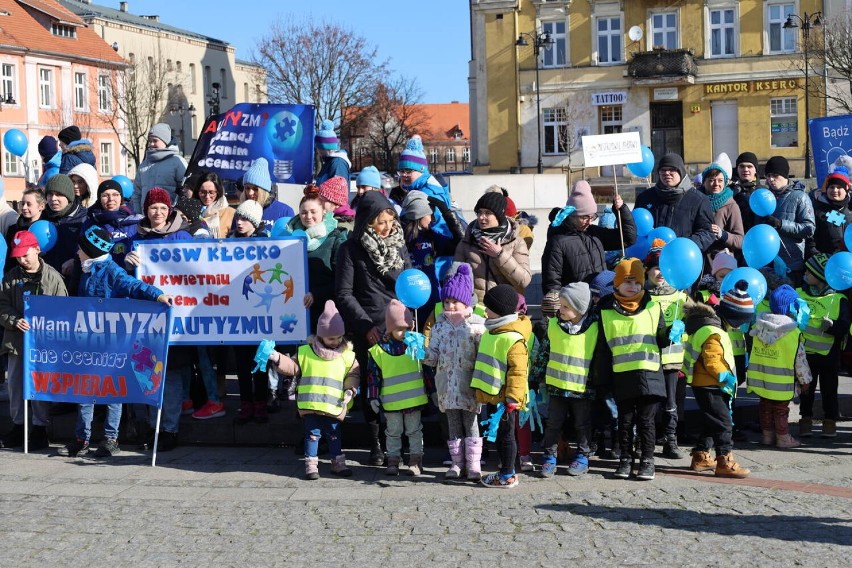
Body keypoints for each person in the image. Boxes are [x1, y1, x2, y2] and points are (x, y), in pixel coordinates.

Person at [58, 227, 173, 458]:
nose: (77, 252)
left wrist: (158, 295)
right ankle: (82, 438)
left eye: (81, 248)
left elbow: (133, 285)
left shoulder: (111, 270)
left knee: (112, 391)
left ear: (91, 250)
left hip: (111, 342)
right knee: (85, 390)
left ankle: (111, 438)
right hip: (87, 341)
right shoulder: (84, 269)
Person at [335, 191, 411, 466]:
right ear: (367, 222)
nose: (388, 227)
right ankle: (376, 443)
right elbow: (344, 293)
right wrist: (365, 325)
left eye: (390, 220)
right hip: (368, 327)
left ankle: (399, 442)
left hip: (398, 327)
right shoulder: (350, 249)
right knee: (373, 389)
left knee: (399, 388)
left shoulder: (400, 245)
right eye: (381, 222)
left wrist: (407, 322)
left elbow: (410, 283)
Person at [263, 300, 359, 479]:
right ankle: (311, 464)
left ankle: (337, 462)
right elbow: (292, 367)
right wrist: (276, 357)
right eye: (331, 338)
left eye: (339, 337)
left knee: (334, 435)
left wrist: (350, 390)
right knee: (312, 435)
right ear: (321, 335)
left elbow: (353, 375)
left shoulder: (347, 355)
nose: (336, 341)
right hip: (311, 404)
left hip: (334, 405)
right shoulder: (305, 352)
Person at [599, 258, 667, 481]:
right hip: (622, 374)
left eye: (637, 282)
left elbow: (662, 339)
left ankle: (647, 460)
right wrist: (601, 379)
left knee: (646, 421)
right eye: (627, 282)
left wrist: (671, 334)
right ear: (617, 283)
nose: (633, 286)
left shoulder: (653, 307)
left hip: (649, 374)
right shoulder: (606, 310)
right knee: (625, 420)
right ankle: (625, 459)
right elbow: (602, 348)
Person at [0, 231, 68, 450]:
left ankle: (40, 428)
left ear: (37, 249)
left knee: (40, 385)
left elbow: (64, 308)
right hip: (17, 342)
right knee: (15, 386)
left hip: (43, 344)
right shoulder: (11, 276)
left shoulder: (53, 277)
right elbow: (2, 304)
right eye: (18, 256)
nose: (22, 259)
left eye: (26, 254)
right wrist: (13, 320)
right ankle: (19, 426)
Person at [422, 263, 486, 480]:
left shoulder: (477, 327)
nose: (449, 306)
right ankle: (457, 463)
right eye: (446, 302)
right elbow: (432, 358)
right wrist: (420, 351)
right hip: (447, 386)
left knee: (471, 423)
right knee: (453, 425)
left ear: (465, 302)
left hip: (469, 384)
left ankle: (474, 464)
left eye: (454, 302)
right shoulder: (440, 327)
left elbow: (482, 358)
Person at [535, 282, 604, 478]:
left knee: (582, 424)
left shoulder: (594, 328)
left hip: (582, 389)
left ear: (580, 308)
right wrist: (535, 378)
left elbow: (599, 358)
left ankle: (583, 455)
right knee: (553, 424)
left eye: (566, 307)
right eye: (560, 306)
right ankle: (549, 456)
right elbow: (543, 354)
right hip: (556, 387)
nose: (560, 310)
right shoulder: (553, 326)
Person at [681, 293, 751, 479]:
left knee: (711, 421)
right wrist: (725, 377)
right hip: (710, 384)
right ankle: (724, 461)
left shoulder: (713, 326)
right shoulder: (713, 331)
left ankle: (701, 455)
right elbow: (712, 361)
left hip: (704, 383)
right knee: (723, 424)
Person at [472, 284, 531, 489]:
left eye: (488, 307)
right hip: (493, 395)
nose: (485, 311)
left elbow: (518, 372)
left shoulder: (512, 337)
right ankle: (504, 471)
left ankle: (507, 474)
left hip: (506, 400)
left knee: (506, 436)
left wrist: (512, 399)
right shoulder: (493, 330)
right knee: (500, 437)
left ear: (500, 310)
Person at [367, 300, 429, 476]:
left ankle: (416, 461)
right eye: (399, 329)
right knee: (393, 432)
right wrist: (373, 396)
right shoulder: (379, 350)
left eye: (408, 328)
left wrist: (433, 391)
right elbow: (373, 376)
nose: (404, 333)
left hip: (414, 400)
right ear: (389, 329)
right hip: (391, 402)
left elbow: (427, 371)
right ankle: (393, 460)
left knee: (414, 431)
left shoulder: (416, 345)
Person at [542, 180, 636, 292]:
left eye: (592, 217)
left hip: (601, 299)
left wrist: (621, 210)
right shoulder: (557, 242)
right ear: (572, 216)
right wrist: (557, 306)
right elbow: (552, 282)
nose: (590, 222)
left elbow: (628, 238)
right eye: (585, 217)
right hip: (575, 304)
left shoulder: (594, 233)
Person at [748, 285, 812, 448]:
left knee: (765, 407)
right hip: (782, 383)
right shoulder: (793, 333)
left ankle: (767, 436)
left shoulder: (758, 327)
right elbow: (800, 360)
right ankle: (783, 438)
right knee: (781, 410)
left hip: (761, 379)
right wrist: (805, 380)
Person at [643, 240, 687, 459]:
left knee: (671, 402)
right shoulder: (643, 296)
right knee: (649, 404)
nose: (660, 273)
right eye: (655, 267)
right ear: (648, 270)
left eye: (664, 267)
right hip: (649, 359)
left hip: (672, 359)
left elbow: (694, 319)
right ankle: (647, 441)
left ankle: (671, 440)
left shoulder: (680, 295)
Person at [796, 254, 848, 438]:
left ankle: (830, 421)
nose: (805, 274)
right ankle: (806, 419)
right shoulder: (799, 293)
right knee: (806, 389)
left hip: (828, 354)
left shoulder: (838, 298)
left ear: (819, 275)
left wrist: (833, 326)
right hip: (805, 354)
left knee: (829, 389)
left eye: (809, 271)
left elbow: (845, 326)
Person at [283, 189, 349, 332]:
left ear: (323, 211)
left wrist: (316, 294)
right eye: (304, 212)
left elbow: (342, 280)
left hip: (326, 312)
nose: (308, 216)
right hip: (294, 313)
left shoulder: (336, 237)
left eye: (313, 212)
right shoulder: (289, 239)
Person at [401, 189, 465, 326]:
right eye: (431, 214)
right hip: (407, 307)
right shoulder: (399, 239)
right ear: (420, 214)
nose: (433, 219)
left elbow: (460, 243)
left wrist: (448, 213)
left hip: (433, 303)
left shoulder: (432, 237)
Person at [453, 190, 531, 301]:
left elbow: (524, 280)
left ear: (499, 215)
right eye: (479, 212)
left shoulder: (516, 242)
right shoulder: (467, 241)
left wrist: (499, 255)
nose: (481, 217)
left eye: (488, 213)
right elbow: (455, 278)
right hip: (475, 310)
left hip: (505, 308)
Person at [634, 153, 715, 252]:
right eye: (663, 170)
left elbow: (707, 233)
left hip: (682, 258)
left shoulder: (699, 200)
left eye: (672, 169)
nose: (667, 173)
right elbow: (634, 227)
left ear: (681, 172)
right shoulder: (645, 197)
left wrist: (682, 245)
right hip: (649, 259)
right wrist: (621, 209)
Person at [757, 156, 815, 285]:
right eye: (768, 175)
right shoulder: (763, 197)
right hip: (767, 263)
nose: (771, 179)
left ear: (785, 176)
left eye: (775, 175)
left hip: (791, 265)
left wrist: (780, 224)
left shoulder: (800, 197)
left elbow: (809, 228)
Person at [396, 136, 457, 238]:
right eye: (401, 171)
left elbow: (439, 225)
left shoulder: (428, 193)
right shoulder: (425, 186)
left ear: (421, 170)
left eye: (408, 171)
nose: (404, 175)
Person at [81, 180, 141, 267]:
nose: (111, 199)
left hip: (128, 276)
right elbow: (80, 253)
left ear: (121, 197)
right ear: (99, 198)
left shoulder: (135, 222)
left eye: (115, 194)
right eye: (105, 195)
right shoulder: (90, 223)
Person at [130, 123, 187, 213]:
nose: (151, 144)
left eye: (155, 140)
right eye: (150, 141)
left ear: (165, 141)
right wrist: (138, 214)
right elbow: (137, 193)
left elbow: (186, 190)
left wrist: (177, 212)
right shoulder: (144, 165)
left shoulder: (177, 161)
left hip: (169, 216)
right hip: (147, 217)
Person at [41, 174, 87, 276]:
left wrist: (76, 261)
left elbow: (92, 252)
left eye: (59, 194)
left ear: (69, 196)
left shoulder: (85, 218)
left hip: (75, 280)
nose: (53, 198)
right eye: (50, 194)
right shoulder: (41, 217)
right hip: (48, 280)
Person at [234, 157, 294, 234]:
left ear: (264, 191)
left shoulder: (285, 211)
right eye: (247, 188)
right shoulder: (240, 212)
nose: (250, 193)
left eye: (255, 189)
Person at [700, 161, 743, 262]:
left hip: (721, 263)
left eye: (720, 180)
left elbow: (740, 241)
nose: (716, 184)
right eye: (711, 180)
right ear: (703, 182)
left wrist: (722, 234)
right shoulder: (695, 201)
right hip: (697, 259)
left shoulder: (731, 206)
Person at [806, 165, 852, 256]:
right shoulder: (817, 211)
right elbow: (810, 240)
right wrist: (818, 256)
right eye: (831, 187)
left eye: (839, 187)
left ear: (846, 189)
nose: (834, 190)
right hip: (825, 263)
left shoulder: (850, 210)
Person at [4, 189, 45, 270]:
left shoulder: (48, 230)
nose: (24, 207)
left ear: (41, 206)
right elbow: (9, 258)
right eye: (22, 203)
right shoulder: (13, 229)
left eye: (29, 204)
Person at [193, 172, 235, 239]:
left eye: (211, 192)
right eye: (203, 192)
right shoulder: (189, 211)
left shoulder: (231, 213)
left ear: (218, 192)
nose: (207, 196)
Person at [731, 151, 762, 233]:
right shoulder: (730, 191)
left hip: (758, 236)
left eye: (749, 166)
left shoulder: (764, 192)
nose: (745, 169)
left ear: (755, 170)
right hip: (735, 238)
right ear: (737, 169)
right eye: (742, 166)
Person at [314, 120, 351, 186]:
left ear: (323, 147)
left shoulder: (338, 163)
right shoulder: (329, 161)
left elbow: (338, 191)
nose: (317, 150)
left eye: (318, 147)